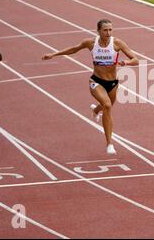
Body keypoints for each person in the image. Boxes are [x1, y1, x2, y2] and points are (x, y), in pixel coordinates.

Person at [42, 19, 138, 154]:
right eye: (105, 30)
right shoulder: (91, 43)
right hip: (96, 81)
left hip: (113, 83)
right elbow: (73, 49)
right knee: (108, 105)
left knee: (107, 104)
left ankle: (95, 111)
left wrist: (126, 62)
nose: (108, 33)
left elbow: (136, 60)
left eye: (110, 29)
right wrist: (53, 54)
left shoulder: (117, 43)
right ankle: (109, 143)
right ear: (98, 31)